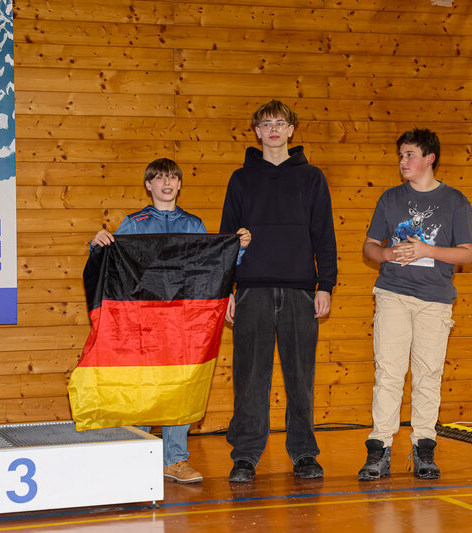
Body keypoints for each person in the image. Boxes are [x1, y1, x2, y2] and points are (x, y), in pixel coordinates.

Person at [91, 157, 251, 484]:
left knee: (180, 386)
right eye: (160, 178)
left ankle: (175, 459)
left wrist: (238, 249)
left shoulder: (194, 225)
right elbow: (112, 265)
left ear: (179, 184)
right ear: (148, 185)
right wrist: (97, 246)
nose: (167, 183)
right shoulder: (134, 224)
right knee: (141, 387)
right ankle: (137, 457)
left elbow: (209, 267)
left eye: (173, 178)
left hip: (182, 323)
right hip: (143, 323)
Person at [220, 100, 338, 482]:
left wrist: (325, 285)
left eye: (280, 123)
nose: (273, 129)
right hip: (251, 292)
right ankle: (245, 456)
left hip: (300, 293)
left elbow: (324, 235)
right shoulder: (240, 179)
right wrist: (225, 290)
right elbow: (226, 238)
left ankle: (304, 453)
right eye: (266, 123)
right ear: (257, 131)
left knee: (301, 381)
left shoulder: (312, 178)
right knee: (250, 380)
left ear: (291, 130)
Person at [357, 128, 472, 481]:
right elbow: (369, 246)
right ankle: (379, 449)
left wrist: (426, 250)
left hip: (434, 301)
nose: (403, 161)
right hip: (392, 294)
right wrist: (387, 254)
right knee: (389, 373)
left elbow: (467, 255)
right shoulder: (390, 198)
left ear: (429, 158)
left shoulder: (455, 201)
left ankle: (424, 447)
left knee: (428, 375)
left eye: (409, 155)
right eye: (400, 156)